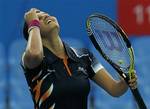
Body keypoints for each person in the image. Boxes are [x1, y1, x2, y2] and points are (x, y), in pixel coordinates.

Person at [21, 8, 137, 109]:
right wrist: (33, 23)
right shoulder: (33, 62)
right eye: (38, 18)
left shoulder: (83, 56)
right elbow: (35, 53)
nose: (45, 15)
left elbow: (115, 89)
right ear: (33, 31)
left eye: (46, 13)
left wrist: (124, 83)